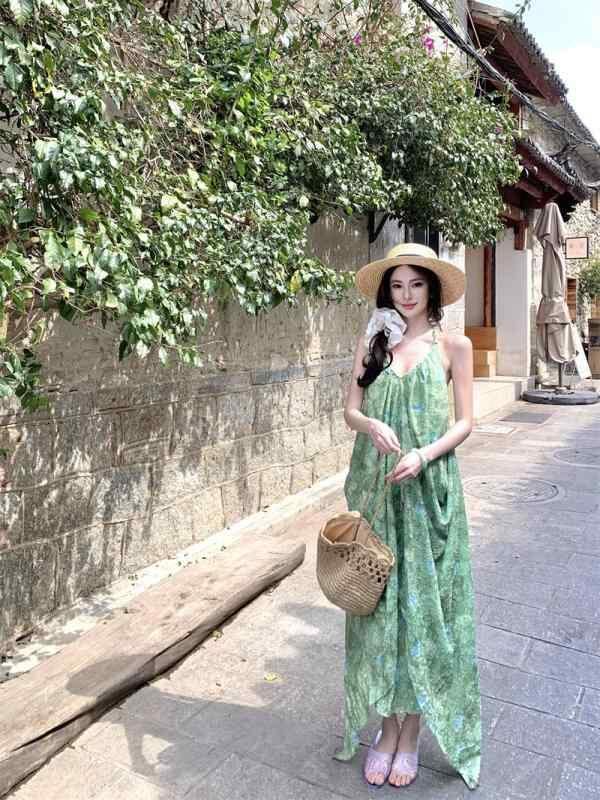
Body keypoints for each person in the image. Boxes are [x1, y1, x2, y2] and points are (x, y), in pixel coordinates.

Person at [334, 242, 481, 789]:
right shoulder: (374, 341)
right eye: (397, 286)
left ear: (432, 290)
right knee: (379, 610)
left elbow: (465, 422)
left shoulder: (455, 346)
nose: (406, 295)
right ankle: (386, 726)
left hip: (429, 494)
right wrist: (371, 425)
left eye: (416, 284)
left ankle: (412, 730)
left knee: (426, 612)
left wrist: (423, 455)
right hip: (379, 494)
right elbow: (351, 410)